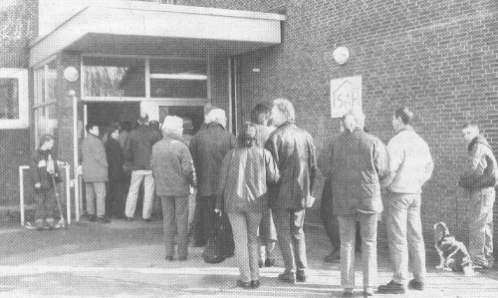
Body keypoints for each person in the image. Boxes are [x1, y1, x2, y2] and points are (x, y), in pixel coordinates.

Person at [328, 110, 388, 297]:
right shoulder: (374, 141)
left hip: (343, 199)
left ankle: (348, 287)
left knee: (346, 242)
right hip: (369, 199)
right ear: (361, 122)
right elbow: (384, 170)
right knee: (370, 242)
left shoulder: (334, 142)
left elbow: (324, 166)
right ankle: (369, 287)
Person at [215, 122, 280, 289]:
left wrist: (218, 204)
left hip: (234, 203)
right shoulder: (264, 154)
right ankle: (255, 278)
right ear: (256, 137)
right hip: (257, 204)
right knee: (253, 239)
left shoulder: (231, 155)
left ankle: (245, 278)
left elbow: (221, 182)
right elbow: (274, 178)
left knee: (240, 240)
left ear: (240, 137)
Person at [378, 107, 434, 294]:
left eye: (393, 119)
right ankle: (420, 279)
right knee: (416, 236)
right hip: (415, 194)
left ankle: (399, 280)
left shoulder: (396, 141)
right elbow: (428, 169)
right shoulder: (421, 142)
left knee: (397, 237)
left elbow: (390, 170)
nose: (392, 122)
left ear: (399, 120)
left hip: (398, 195)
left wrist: (384, 186)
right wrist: (417, 183)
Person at [265, 98, 317, 283]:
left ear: (284, 113)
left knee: (283, 232)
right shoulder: (306, 136)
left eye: (274, 112)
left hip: (280, 194)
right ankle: (303, 269)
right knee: (298, 231)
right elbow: (313, 167)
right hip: (301, 193)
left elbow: (270, 172)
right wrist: (311, 192)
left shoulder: (274, 138)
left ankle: (290, 270)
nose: (271, 115)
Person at [189, 108, 236, 246]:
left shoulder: (197, 137)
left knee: (206, 216)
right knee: (225, 217)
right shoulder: (230, 137)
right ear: (219, 120)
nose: (226, 120)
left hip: (204, 185)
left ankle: (209, 243)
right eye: (225, 118)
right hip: (226, 186)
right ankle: (225, 244)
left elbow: (192, 161)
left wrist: (195, 181)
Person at [151, 116, 195, 261]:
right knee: (182, 220)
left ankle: (168, 253)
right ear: (177, 130)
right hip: (180, 188)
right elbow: (188, 169)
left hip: (163, 188)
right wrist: (192, 183)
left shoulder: (156, 146)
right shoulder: (182, 147)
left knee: (168, 220)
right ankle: (182, 253)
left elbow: (153, 168)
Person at [458, 123, 497, 269]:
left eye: (468, 133)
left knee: (476, 225)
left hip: (481, 191)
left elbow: (475, 169)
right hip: (488, 191)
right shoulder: (484, 145)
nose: (465, 137)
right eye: (463, 134)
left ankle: (478, 261)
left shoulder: (478, 146)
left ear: (476, 132)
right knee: (486, 225)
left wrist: (462, 180)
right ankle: (486, 257)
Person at [250, 103, 278, 267]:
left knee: (255, 217)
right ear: (266, 116)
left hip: (252, 181)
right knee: (269, 218)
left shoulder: (247, 130)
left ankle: (259, 255)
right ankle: (270, 254)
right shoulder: (272, 132)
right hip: (268, 181)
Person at [123, 114, 161, 221]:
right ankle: (146, 216)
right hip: (150, 167)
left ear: (138, 121)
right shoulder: (155, 133)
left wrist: (130, 162)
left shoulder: (132, 134)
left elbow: (127, 151)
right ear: (148, 121)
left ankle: (129, 215)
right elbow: (159, 150)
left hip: (136, 166)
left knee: (133, 190)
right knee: (149, 191)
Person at [30, 134, 63, 230]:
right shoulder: (35, 155)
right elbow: (33, 169)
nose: (52, 145)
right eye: (51, 143)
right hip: (40, 182)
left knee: (50, 201)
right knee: (40, 201)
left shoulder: (51, 154)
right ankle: (39, 221)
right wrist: (36, 181)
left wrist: (57, 175)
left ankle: (50, 220)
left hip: (50, 182)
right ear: (45, 142)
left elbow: (55, 166)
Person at [81, 123, 110, 223]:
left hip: (88, 172)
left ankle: (91, 214)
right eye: (96, 128)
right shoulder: (97, 141)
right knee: (100, 194)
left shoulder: (84, 141)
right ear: (90, 130)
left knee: (89, 194)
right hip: (98, 172)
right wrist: (106, 165)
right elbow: (100, 157)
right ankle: (100, 215)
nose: (98, 130)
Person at [105, 125, 127, 218]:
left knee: (110, 193)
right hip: (117, 171)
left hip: (110, 171)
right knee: (119, 193)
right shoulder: (115, 143)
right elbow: (120, 158)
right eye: (117, 132)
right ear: (112, 133)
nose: (118, 134)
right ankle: (119, 213)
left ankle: (109, 212)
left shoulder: (107, 143)